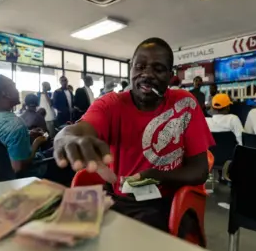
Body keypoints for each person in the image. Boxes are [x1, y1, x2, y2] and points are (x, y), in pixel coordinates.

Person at [54, 37, 214, 234]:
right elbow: (82, 129)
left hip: (165, 200)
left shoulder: (185, 104)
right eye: (140, 66)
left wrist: (157, 176)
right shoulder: (109, 105)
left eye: (158, 69)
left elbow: (200, 170)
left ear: (170, 76)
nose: (146, 74)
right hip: (118, 197)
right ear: (131, 70)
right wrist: (66, 136)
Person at [0, 74, 46, 175]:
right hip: (24, 178)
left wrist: (27, 134)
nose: (17, 90)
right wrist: (37, 142)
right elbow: (18, 168)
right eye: (14, 86)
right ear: (5, 93)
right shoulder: (16, 125)